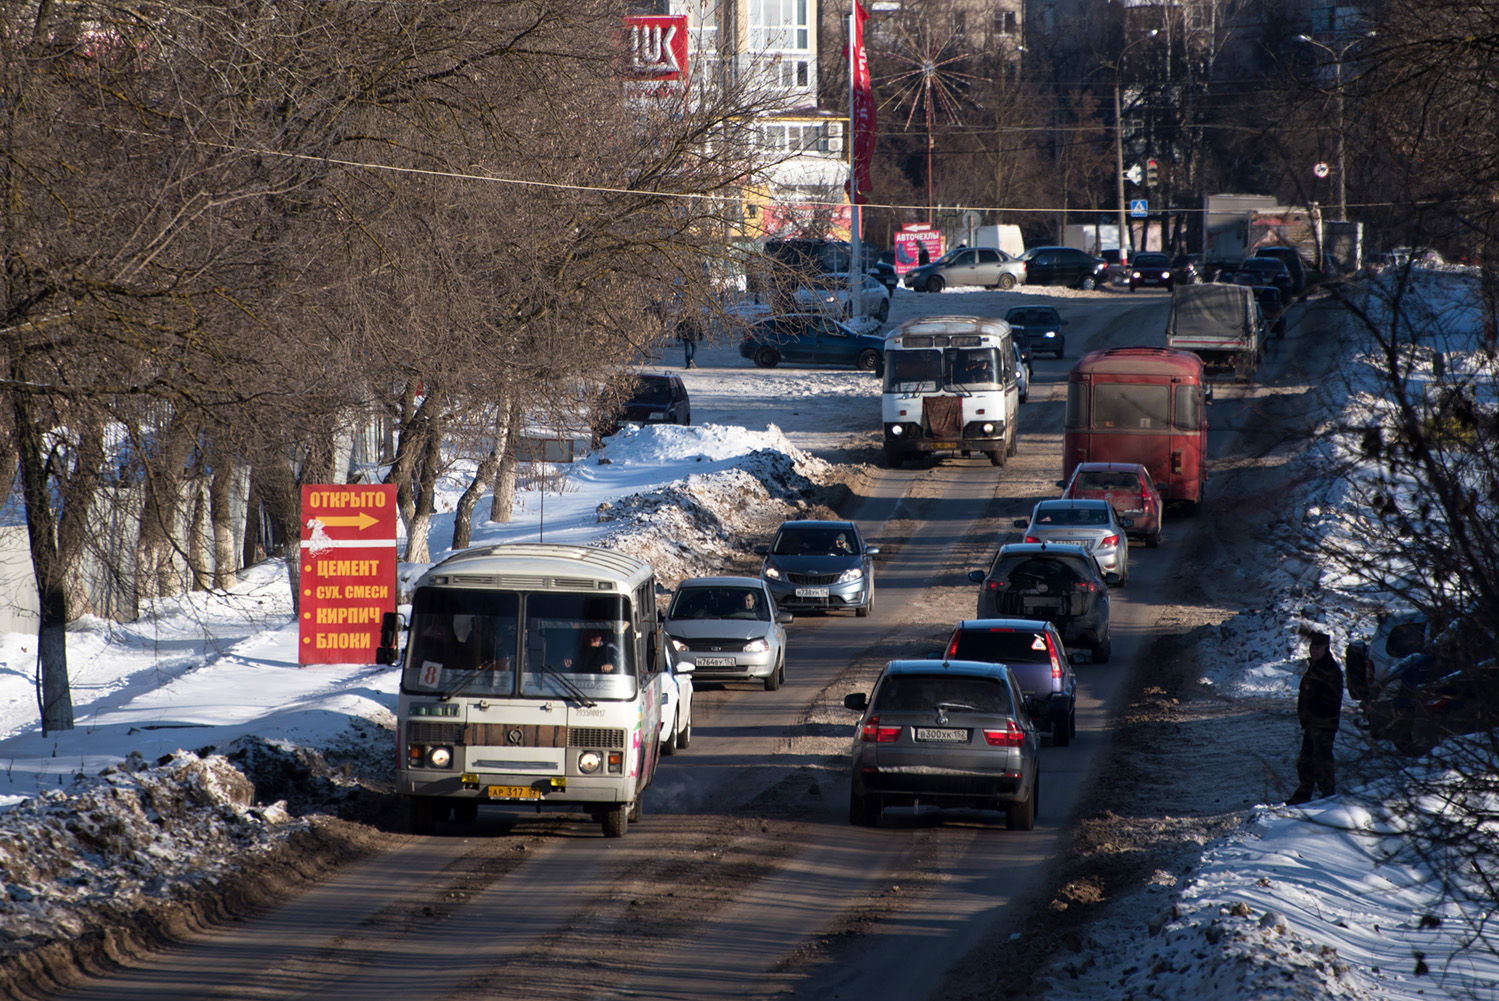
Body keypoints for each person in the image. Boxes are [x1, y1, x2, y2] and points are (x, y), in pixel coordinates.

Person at [1289, 630, 1343, 805]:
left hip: (1323, 723)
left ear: (1326, 648)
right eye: (1313, 647)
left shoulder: (1329, 670)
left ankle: (1328, 796)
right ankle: (1304, 793)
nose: (1314, 651)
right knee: (1305, 760)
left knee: (1322, 761)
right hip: (1312, 723)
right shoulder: (1316, 667)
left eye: (1318, 648)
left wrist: (1316, 717)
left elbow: (1330, 700)